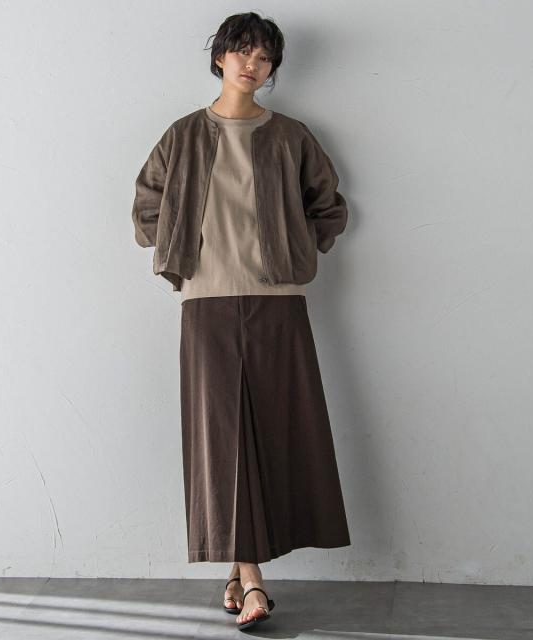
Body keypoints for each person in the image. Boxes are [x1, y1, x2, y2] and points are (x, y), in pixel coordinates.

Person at [132, 11, 352, 632]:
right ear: (220, 58)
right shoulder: (182, 136)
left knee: (278, 431)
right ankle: (253, 579)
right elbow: (146, 206)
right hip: (206, 300)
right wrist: (180, 251)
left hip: (278, 298)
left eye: (263, 57)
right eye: (242, 52)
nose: (252, 65)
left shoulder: (290, 136)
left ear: (272, 67)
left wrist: (296, 249)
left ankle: (238, 573)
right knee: (221, 436)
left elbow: (329, 207)